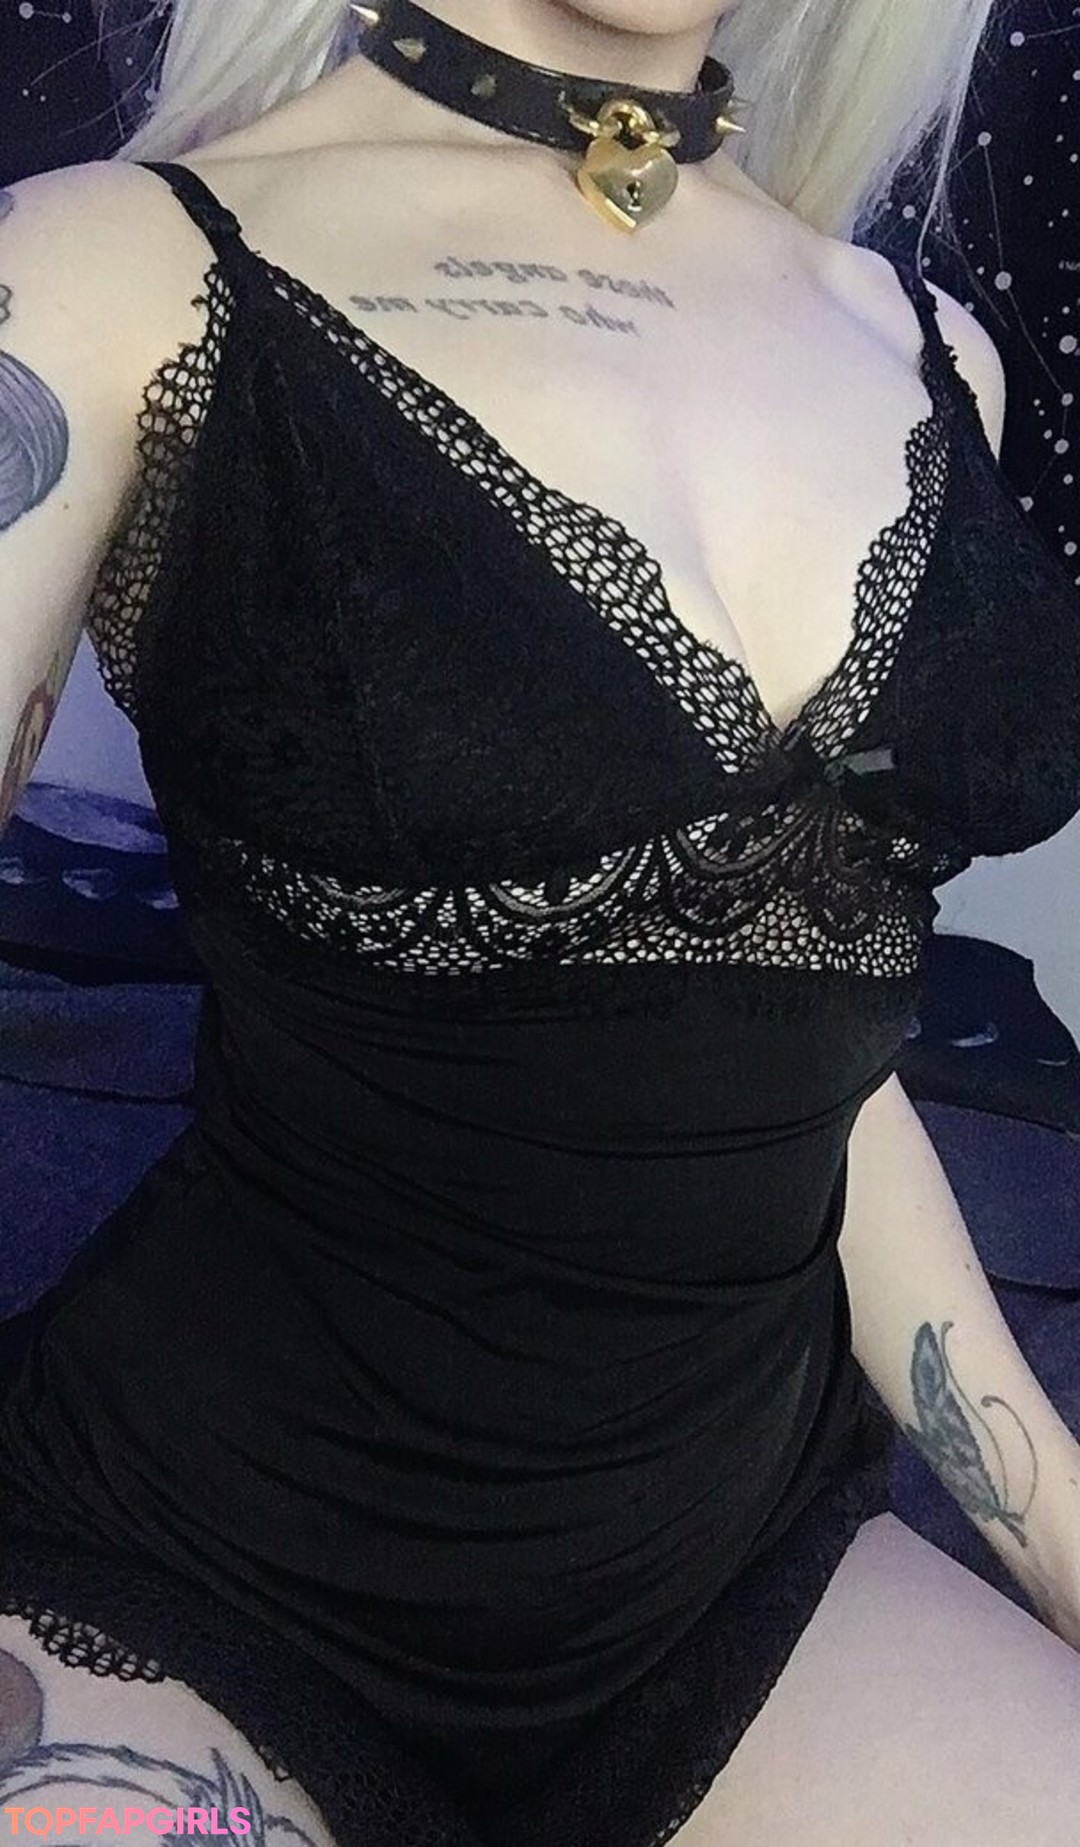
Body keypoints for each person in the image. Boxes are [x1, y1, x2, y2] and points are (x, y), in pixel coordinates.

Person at [1, 3, 1080, 1842]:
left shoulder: (925, 353)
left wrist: (1050, 1516)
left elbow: (806, 1046)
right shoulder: (116, 276)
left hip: (732, 1584)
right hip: (201, 1564)